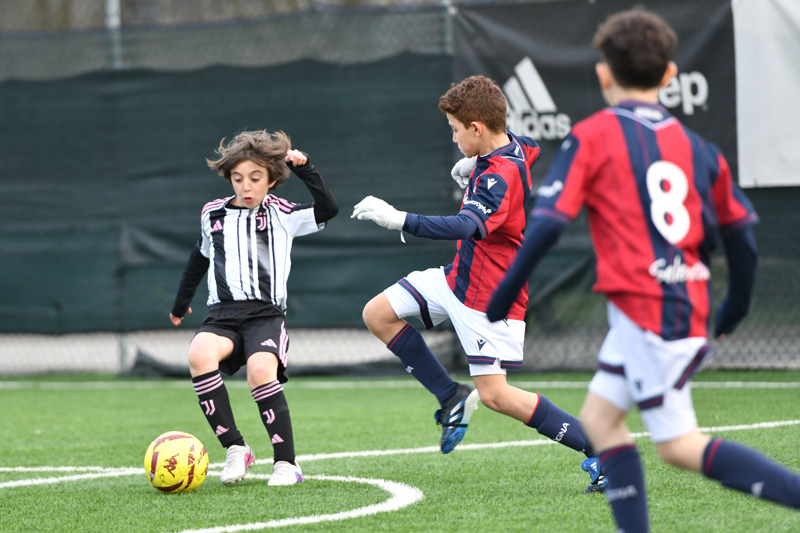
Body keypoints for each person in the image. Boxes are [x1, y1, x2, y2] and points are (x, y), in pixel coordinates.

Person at [487, 8, 800, 530]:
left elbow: (546, 226)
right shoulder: (699, 147)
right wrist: (735, 306)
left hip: (651, 314)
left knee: (680, 446)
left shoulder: (594, 135)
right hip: (667, 307)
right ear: (670, 75)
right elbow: (742, 238)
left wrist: (502, 297)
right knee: (600, 421)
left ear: (603, 74)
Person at [352, 75, 605, 493]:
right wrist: (477, 162)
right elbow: (530, 147)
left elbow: (465, 224)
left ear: (476, 127)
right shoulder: (513, 148)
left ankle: (599, 449)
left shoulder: (497, 176)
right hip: (457, 278)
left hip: (488, 299)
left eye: (455, 130)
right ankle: (450, 396)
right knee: (378, 314)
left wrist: (400, 219)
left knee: (496, 397)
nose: (453, 139)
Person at [169, 130, 338, 487]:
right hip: (222, 316)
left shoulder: (282, 213)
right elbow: (199, 258)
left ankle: (286, 463)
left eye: (256, 178)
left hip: (264, 315)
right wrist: (181, 303)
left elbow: (328, 209)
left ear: (272, 180)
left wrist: (306, 169)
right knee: (199, 353)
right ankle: (236, 448)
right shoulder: (213, 214)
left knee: (260, 370)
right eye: (238, 178)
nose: (246, 186)